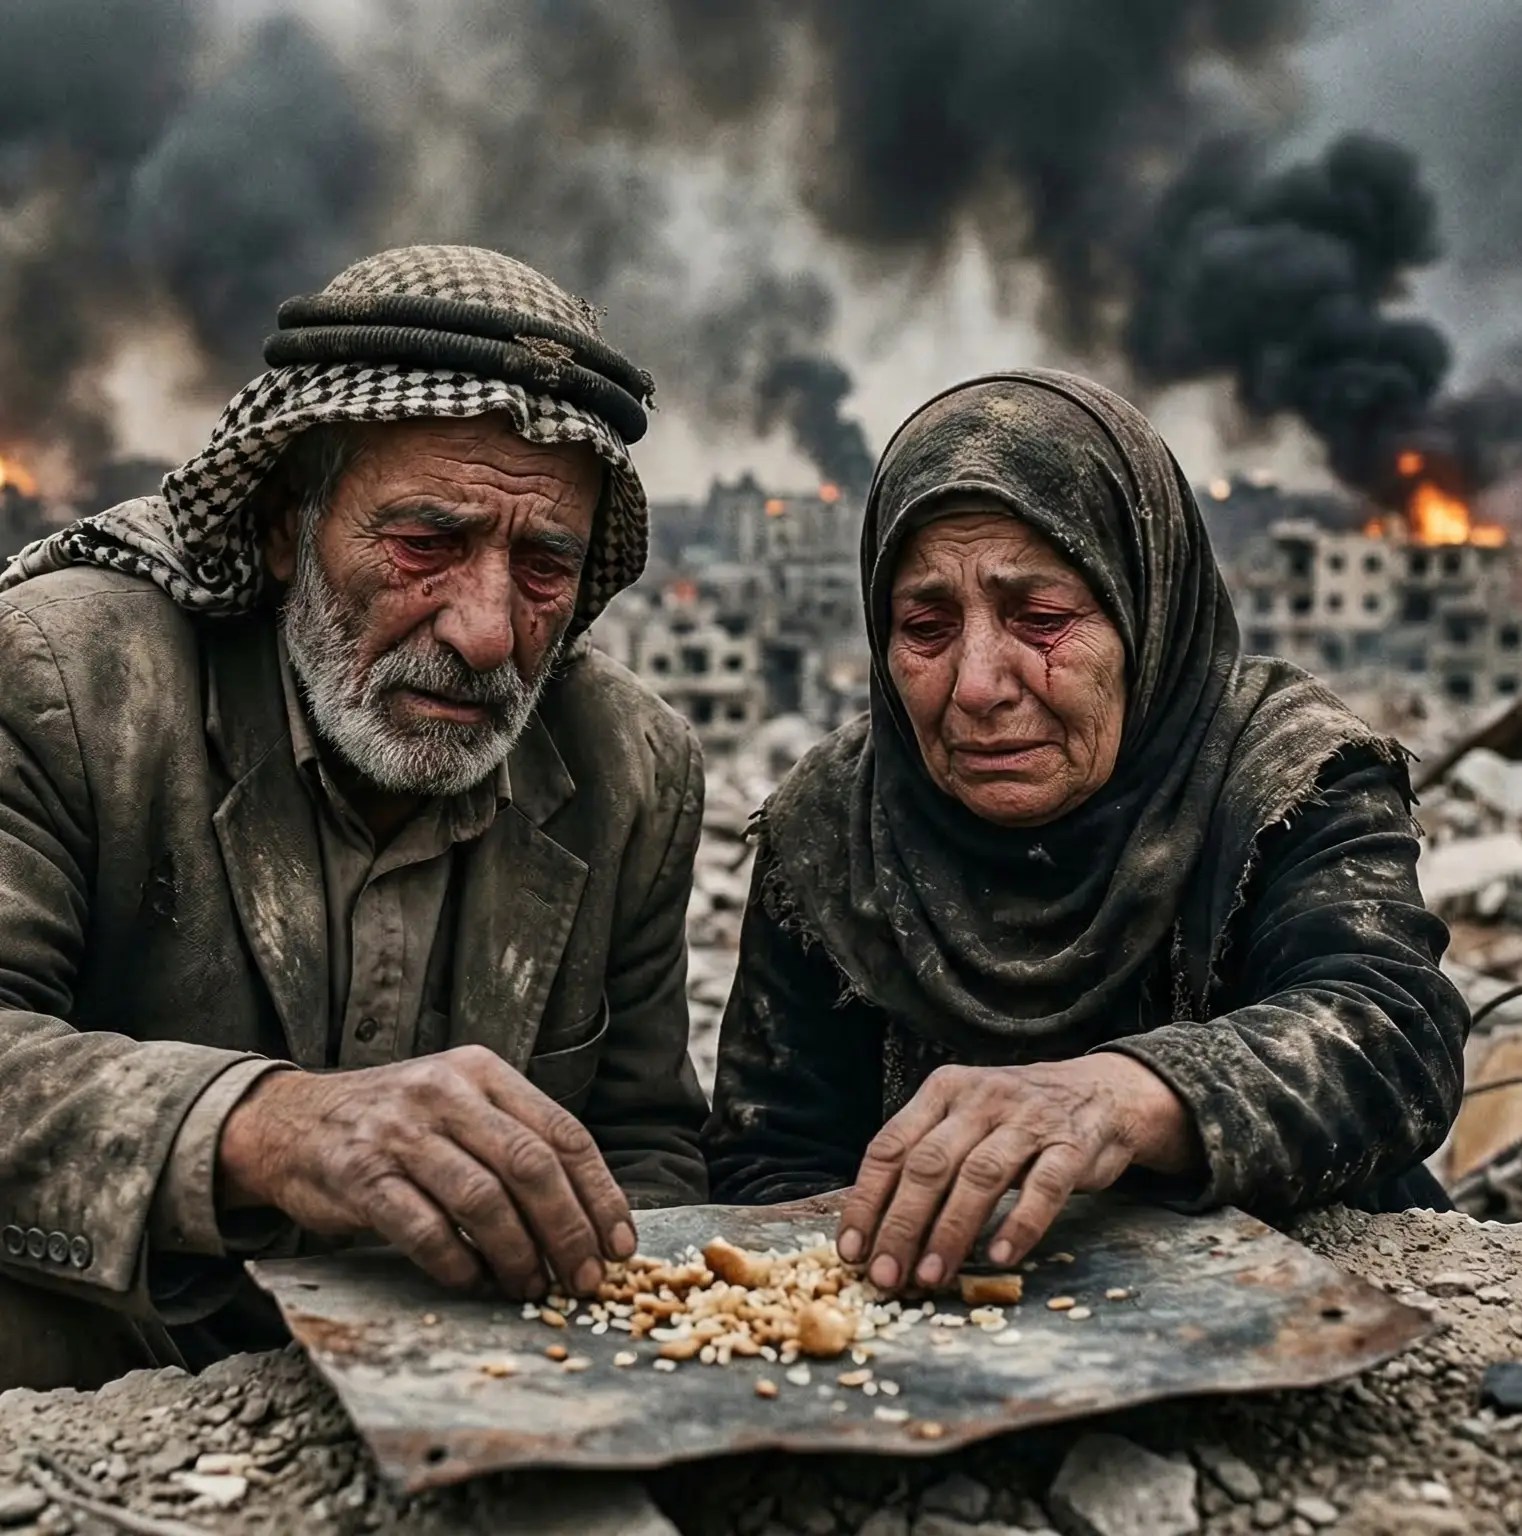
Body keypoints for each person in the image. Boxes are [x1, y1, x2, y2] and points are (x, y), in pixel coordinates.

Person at [0, 245, 709, 1389]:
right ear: (287, 526)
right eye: (426, 543)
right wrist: (268, 1127)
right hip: (108, 1353)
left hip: (474, 1385)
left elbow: (648, 1149)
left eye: (543, 567)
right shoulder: (67, 679)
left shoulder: (631, 772)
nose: (485, 632)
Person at [704, 370, 1466, 1295]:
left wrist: (1125, 1096)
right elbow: (770, 1159)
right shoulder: (832, 828)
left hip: (1299, 1307)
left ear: (1144, 610)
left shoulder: (1284, 774)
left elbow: (1387, 1031)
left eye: (1042, 619)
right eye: (927, 626)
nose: (980, 685)